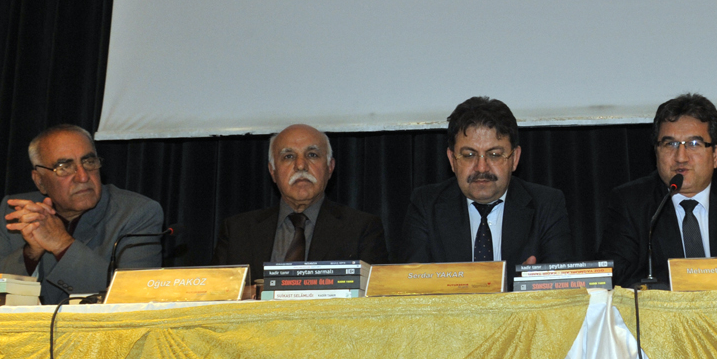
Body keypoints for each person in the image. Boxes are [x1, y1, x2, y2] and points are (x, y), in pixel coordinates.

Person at [599, 93, 717, 287]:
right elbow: (614, 278)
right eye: (670, 144)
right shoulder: (631, 202)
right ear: (656, 152)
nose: (681, 157)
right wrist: (686, 281)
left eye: (694, 144)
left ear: (715, 154)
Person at [0, 124, 164, 303]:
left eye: (89, 162)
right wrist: (31, 253)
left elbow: (136, 297)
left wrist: (61, 244)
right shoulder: (18, 212)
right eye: (64, 167)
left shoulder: (137, 213)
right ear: (40, 181)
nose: (83, 176)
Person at [401, 97, 573, 266]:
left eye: (494, 155)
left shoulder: (546, 205)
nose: (481, 168)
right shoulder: (426, 205)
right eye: (469, 155)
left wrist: (533, 281)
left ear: (514, 158)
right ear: (452, 160)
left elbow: (559, 280)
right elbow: (413, 280)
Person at [213, 124, 389, 286]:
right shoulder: (237, 231)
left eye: (312, 155)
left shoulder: (362, 229)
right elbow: (215, 297)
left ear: (329, 167)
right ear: (272, 171)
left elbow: (375, 301)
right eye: (288, 156)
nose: (300, 165)